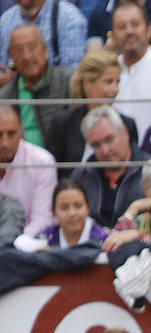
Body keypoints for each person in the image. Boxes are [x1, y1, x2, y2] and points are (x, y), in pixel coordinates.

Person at [51, 50, 138, 164]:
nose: (115, 90)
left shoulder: (127, 124)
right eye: (108, 82)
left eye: (117, 82)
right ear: (87, 83)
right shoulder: (62, 124)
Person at [0, 25, 74, 152]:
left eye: (32, 47)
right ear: (11, 57)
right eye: (18, 50)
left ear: (45, 49)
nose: (27, 56)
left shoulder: (69, 80)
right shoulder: (5, 96)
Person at [108, 0, 151, 140]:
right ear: (112, 36)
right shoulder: (107, 71)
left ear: (149, 30)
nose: (129, 31)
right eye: (121, 27)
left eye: (135, 24)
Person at [72, 104, 147, 226]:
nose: (105, 150)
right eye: (96, 145)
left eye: (109, 140)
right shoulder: (81, 176)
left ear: (125, 133)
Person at [0, 102, 57, 234]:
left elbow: (42, 221)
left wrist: (8, 243)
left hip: (25, 247)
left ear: (21, 131)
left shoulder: (42, 162)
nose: (5, 143)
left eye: (11, 133)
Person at [14, 175, 109, 248]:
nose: (72, 213)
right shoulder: (44, 238)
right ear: (53, 212)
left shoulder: (104, 239)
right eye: (64, 207)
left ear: (88, 208)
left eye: (78, 206)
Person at [0, 0, 87, 74]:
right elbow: (3, 65)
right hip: (13, 91)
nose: (27, 56)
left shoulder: (69, 18)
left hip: (55, 90)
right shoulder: (6, 20)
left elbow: (73, 74)